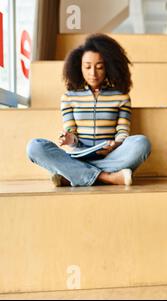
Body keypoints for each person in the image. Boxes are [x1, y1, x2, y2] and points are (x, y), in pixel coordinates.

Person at [27, 34, 151, 187]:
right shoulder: (68, 98)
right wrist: (68, 138)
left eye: (99, 67)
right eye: (87, 67)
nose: (93, 73)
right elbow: (72, 132)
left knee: (141, 143)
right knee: (35, 147)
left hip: (110, 157)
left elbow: (122, 133)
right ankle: (109, 178)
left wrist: (115, 145)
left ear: (108, 67)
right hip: (77, 157)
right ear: (79, 67)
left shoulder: (121, 97)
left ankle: (73, 176)